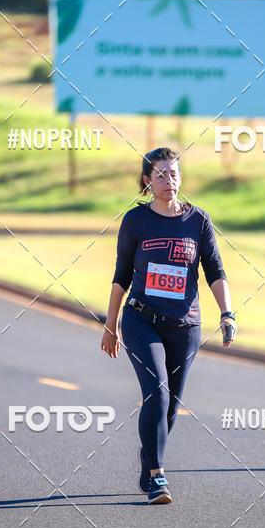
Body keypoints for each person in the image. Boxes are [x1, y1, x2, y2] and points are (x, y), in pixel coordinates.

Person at [100, 147, 237, 504]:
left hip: (185, 325)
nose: (169, 180)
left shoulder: (198, 220)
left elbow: (215, 270)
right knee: (156, 394)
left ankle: (148, 460)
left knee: (171, 405)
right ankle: (159, 476)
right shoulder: (135, 220)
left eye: (174, 173)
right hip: (141, 319)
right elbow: (121, 276)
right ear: (148, 181)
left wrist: (227, 313)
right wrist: (110, 325)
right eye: (160, 174)